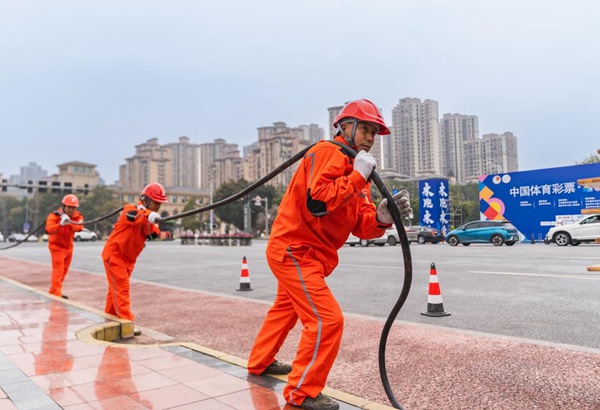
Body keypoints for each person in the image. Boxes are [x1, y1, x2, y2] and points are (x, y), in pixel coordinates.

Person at [247, 99, 412, 410]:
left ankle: (259, 362)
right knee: (326, 320)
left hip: (311, 256)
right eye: (365, 128)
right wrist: (357, 177)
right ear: (344, 127)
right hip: (295, 250)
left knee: (286, 309)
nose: (369, 137)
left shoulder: (357, 171)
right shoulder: (328, 153)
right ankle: (302, 392)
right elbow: (318, 202)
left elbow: (360, 225)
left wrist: (382, 217)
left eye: (374, 132)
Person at [101, 182, 166, 333]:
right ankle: (126, 324)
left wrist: (150, 218)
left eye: (159, 204)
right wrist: (147, 214)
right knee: (122, 289)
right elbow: (133, 217)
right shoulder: (130, 210)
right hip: (115, 255)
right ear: (145, 199)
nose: (157, 206)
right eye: (155, 202)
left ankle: (110, 318)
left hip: (128, 259)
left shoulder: (147, 218)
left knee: (115, 290)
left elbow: (154, 234)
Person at [45, 194, 84, 299]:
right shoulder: (54, 216)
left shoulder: (78, 216)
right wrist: (60, 224)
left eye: (73, 207)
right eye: (69, 207)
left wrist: (69, 223)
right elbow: (49, 229)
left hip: (68, 247)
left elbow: (79, 228)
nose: (71, 210)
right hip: (56, 246)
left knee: (64, 271)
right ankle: (57, 294)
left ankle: (53, 291)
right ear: (64, 206)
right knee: (58, 270)